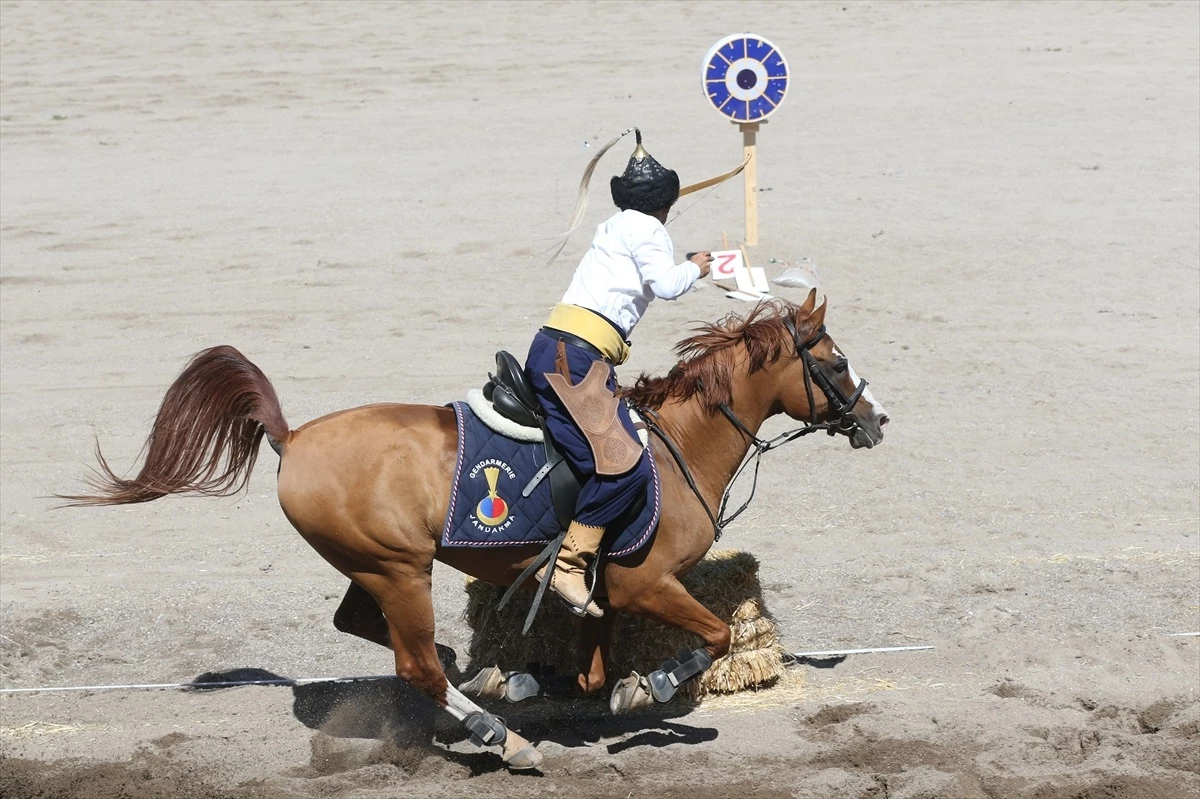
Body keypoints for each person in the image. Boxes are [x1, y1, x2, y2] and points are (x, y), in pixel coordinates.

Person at [525, 130, 712, 617]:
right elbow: (667, 285)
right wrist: (696, 267)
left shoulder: (614, 227)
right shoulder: (650, 229)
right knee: (624, 463)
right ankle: (570, 564)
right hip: (576, 359)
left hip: (565, 349)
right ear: (665, 204)